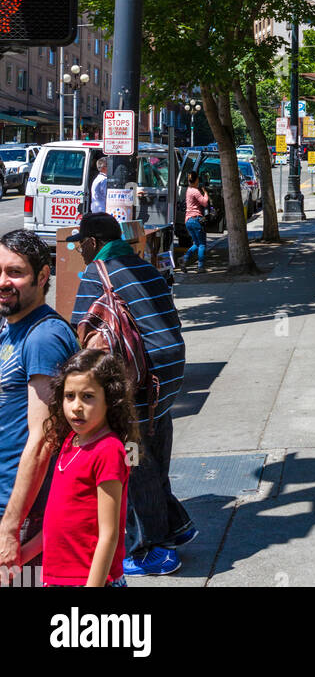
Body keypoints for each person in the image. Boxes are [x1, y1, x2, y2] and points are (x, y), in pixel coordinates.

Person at [68, 214, 193, 578]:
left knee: (132, 462)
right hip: (165, 382)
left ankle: (153, 549)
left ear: (93, 242)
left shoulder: (98, 273)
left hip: (136, 384)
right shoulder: (145, 267)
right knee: (150, 454)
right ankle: (177, 525)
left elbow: (81, 337)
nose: (78, 249)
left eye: (80, 243)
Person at [0, 231, 79, 573]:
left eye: (15, 272)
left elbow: (44, 437)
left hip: (27, 512)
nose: (3, 281)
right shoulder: (10, 325)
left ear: (43, 276)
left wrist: (10, 526)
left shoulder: (44, 337)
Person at [40, 348, 137, 588]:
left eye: (88, 396)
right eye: (69, 396)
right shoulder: (70, 442)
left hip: (91, 580)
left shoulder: (108, 451)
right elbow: (55, 521)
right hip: (58, 578)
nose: (76, 406)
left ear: (110, 400)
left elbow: (109, 534)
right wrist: (22, 553)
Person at [181, 169, 209, 272]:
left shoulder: (188, 190)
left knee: (196, 244)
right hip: (196, 219)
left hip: (188, 220)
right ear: (196, 180)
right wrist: (205, 193)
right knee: (202, 244)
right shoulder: (195, 191)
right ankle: (200, 266)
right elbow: (205, 203)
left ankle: (184, 259)